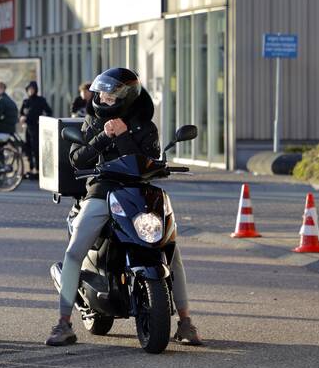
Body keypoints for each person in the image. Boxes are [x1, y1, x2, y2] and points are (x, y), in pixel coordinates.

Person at [45, 67, 204, 348]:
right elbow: (78, 159)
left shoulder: (144, 124)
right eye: (102, 94)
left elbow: (150, 157)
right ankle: (63, 323)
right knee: (73, 252)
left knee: (172, 251)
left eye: (110, 95)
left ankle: (186, 322)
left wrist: (124, 134)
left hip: (140, 191)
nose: (103, 99)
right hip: (101, 191)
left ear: (126, 96)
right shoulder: (92, 122)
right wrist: (104, 136)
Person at [20, 80, 53, 178]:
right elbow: (21, 113)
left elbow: (49, 112)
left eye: (32, 89)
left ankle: (38, 169)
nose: (31, 91)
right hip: (27, 127)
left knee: (37, 148)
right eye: (29, 89)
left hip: (37, 127)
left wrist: (42, 119)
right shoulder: (26, 101)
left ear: (36, 90)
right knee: (28, 148)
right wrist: (22, 117)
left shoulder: (41, 100)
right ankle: (30, 168)